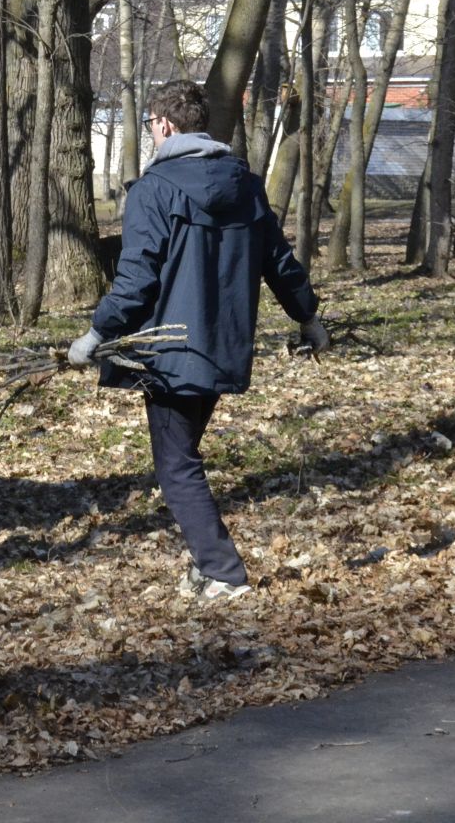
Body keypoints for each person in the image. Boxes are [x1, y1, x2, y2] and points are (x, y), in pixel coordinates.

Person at [67, 79, 328, 601]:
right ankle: (210, 568)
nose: (150, 133)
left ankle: (223, 573)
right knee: (182, 456)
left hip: (170, 353)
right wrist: (308, 317)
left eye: (149, 125)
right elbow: (279, 262)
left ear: (164, 125)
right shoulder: (247, 187)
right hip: (224, 345)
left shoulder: (154, 190)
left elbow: (137, 278)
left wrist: (97, 333)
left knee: (177, 465)